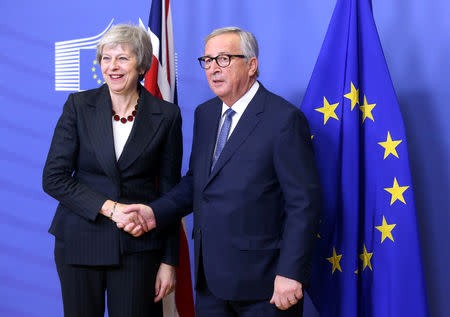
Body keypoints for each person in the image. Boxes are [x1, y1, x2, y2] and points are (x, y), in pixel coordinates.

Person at [122, 26, 321, 316]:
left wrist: (291, 273)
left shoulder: (284, 120)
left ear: (252, 65)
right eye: (207, 61)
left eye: (224, 59)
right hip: (210, 282)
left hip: (265, 285)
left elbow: (304, 203)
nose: (213, 68)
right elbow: (198, 183)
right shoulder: (206, 113)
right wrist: (154, 213)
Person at [42, 24, 182, 317]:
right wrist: (112, 209)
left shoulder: (167, 116)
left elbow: (171, 194)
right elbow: (53, 178)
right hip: (80, 240)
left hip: (139, 248)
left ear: (142, 65)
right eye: (106, 58)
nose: (112, 67)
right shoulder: (78, 106)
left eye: (123, 58)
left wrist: (169, 261)